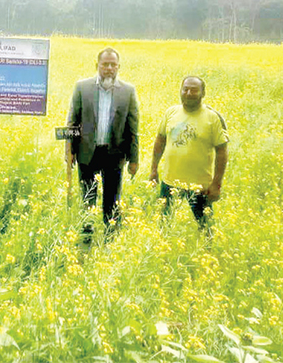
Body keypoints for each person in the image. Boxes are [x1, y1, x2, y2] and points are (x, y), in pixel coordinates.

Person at [66, 47, 139, 240]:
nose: (108, 68)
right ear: (97, 65)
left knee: (112, 200)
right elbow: (72, 120)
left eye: (112, 65)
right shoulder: (82, 87)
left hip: (114, 154)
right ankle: (86, 234)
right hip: (87, 152)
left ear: (118, 67)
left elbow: (133, 128)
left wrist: (134, 159)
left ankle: (110, 237)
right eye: (105, 64)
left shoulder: (128, 91)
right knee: (88, 196)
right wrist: (70, 150)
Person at [149, 76, 228, 234]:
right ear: (180, 91)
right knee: (163, 225)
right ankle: (163, 254)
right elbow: (160, 141)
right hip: (169, 182)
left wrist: (216, 184)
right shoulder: (171, 113)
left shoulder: (213, 118)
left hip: (199, 186)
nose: (189, 93)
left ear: (203, 93)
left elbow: (222, 152)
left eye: (194, 89)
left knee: (205, 228)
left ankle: (208, 254)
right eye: (185, 89)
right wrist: (153, 170)